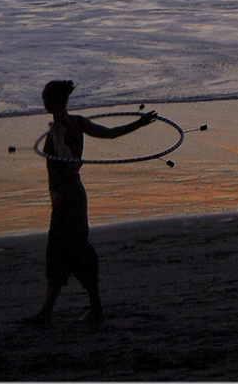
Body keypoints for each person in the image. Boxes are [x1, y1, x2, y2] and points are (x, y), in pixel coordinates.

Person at [29, 79, 158, 325]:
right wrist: (139, 123)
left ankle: (55, 311)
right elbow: (109, 134)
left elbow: (61, 147)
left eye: (45, 97)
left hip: (65, 197)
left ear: (51, 102)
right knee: (75, 248)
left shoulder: (57, 129)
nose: (43, 101)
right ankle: (80, 308)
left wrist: (70, 161)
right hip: (77, 194)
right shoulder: (78, 122)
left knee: (62, 249)